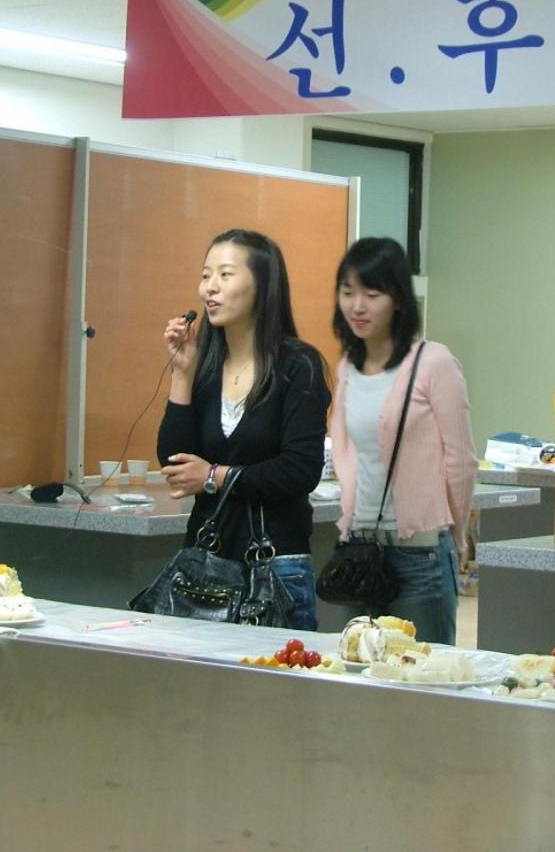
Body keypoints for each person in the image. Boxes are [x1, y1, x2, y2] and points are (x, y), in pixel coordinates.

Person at [157, 228, 331, 631]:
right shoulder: (204, 367)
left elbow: (300, 470)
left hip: (276, 570)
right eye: (206, 276)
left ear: (262, 285)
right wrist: (182, 373)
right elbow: (174, 464)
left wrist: (214, 476)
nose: (210, 288)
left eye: (225, 274)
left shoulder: (297, 366)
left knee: (275, 675)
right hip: (205, 570)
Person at [330, 237, 477, 644]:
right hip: (359, 548)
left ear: (397, 299)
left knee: (424, 671)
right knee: (359, 668)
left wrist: (457, 536)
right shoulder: (347, 367)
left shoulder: (433, 362)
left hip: (421, 551)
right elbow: (347, 451)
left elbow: (460, 461)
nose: (357, 306)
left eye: (371, 294)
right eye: (348, 292)